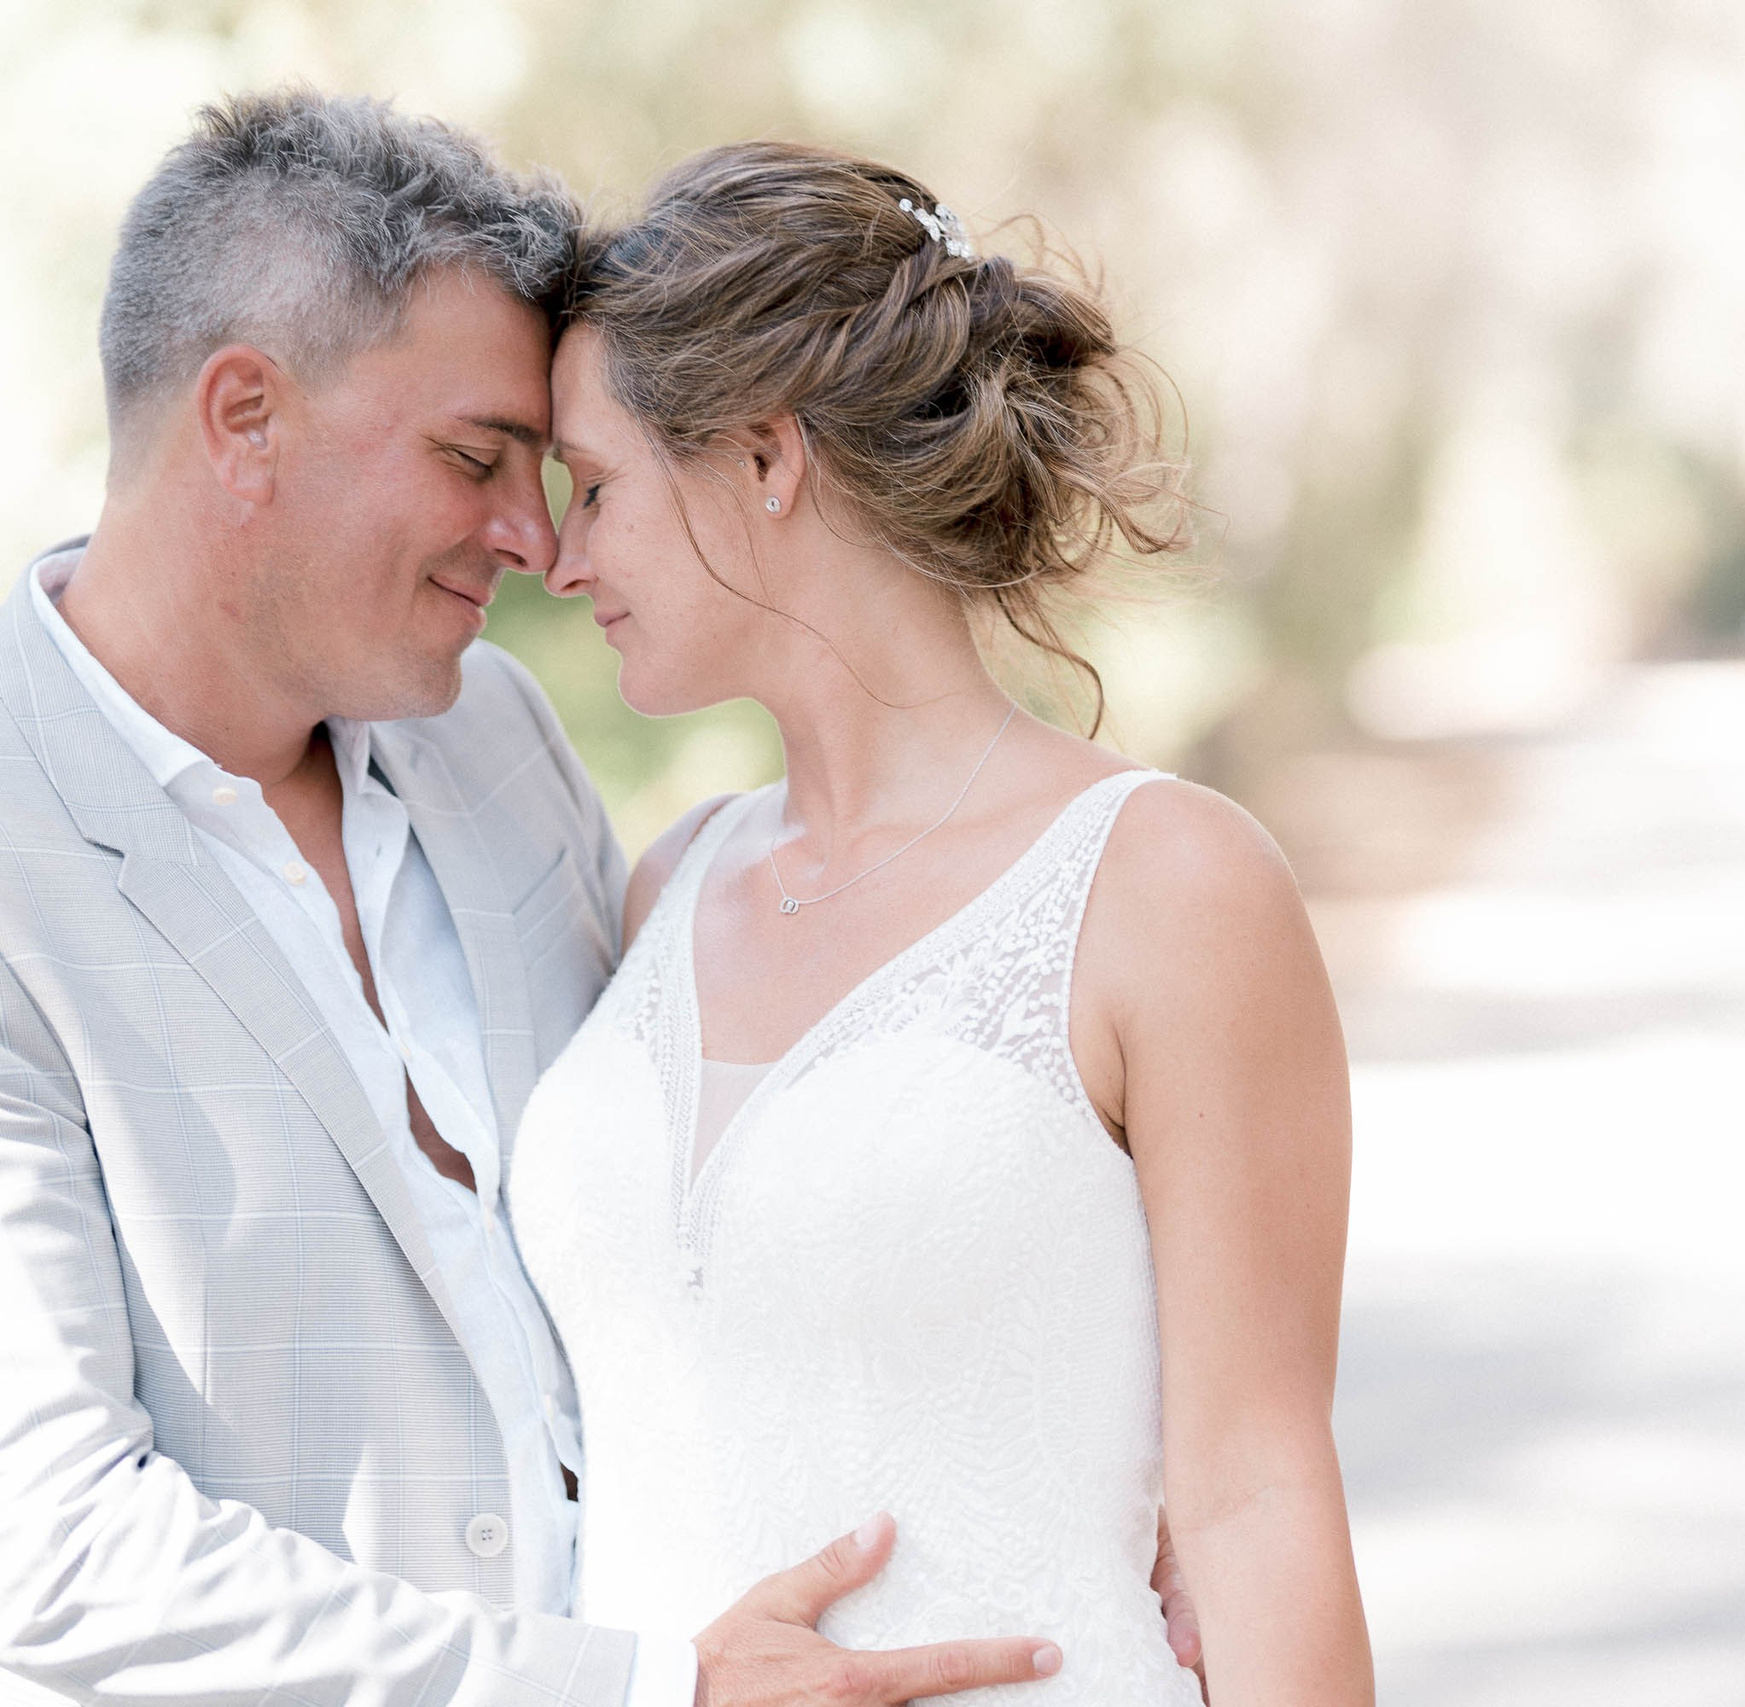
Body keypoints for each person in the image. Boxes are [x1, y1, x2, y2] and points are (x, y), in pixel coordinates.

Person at [0, 90, 1191, 1707]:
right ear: (243, 416)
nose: (529, 539)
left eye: (552, 473)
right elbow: (52, 1555)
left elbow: (716, 1218)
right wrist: (637, 1690)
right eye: (478, 459)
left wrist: (1097, 1443)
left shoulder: (492, 743)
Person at [513, 142, 1375, 1704]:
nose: (560, 560)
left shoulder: (1167, 887)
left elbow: (1255, 1502)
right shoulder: (668, 882)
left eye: (596, 487)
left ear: (767, 460)